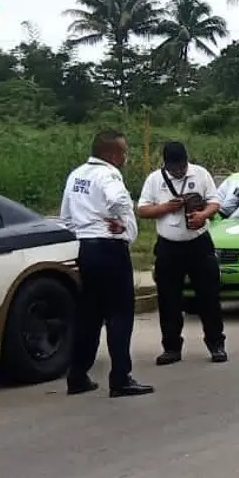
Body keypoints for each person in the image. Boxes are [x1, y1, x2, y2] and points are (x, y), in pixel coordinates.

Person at [60, 130, 153, 398]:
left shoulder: (76, 175)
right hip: (110, 249)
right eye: (123, 152)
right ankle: (121, 378)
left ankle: (77, 375)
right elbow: (118, 200)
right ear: (111, 154)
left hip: (86, 250)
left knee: (90, 314)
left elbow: (66, 217)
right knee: (119, 314)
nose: (125, 157)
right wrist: (117, 220)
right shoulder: (109, 174)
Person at [138, 141, 227, 365]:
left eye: (182, 167)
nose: (179, 172)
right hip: (169, 246)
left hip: (199, 243)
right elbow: (143, 209)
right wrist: (166, 208)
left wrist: (203, 215)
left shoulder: (201, 174)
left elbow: (215, 201)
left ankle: (216, 344)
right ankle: (171, 348)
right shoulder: (154, 180)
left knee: (209, 296)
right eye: (174, 169)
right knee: (169, 299)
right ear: (165, 165)